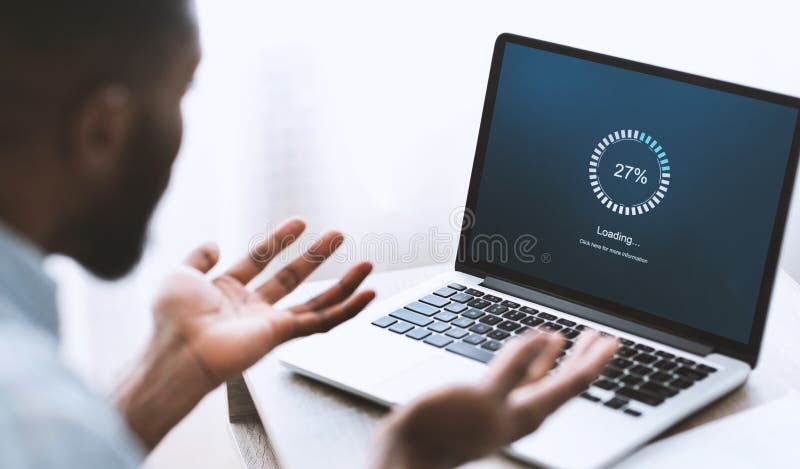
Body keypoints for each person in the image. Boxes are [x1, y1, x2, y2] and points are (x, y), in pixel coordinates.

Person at [0, 1, 618, 467]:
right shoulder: (36, 414)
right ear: (103, 129)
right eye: (181, 94)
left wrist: (164, 377)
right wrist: (404, 456)